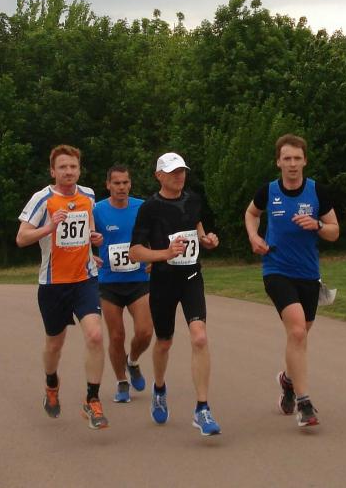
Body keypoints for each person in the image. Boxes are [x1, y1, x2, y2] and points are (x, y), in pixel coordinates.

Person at [243, 134, 340, 427]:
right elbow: (251, 213)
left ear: (305, 161)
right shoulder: (268, 191)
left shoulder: (317, 191)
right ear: (278, 162)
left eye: (297, 158)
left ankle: (287, 380)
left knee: (301, 334)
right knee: (297, 331)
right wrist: (254, 237)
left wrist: (317, 224)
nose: (293, 164)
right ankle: (304, 403)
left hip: (308, 274)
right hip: (276, 270)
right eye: (287, 158)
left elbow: (334, 231)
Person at [16, 144, 109, 430]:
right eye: (63, 167)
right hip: (53, 284)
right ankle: (51, 384)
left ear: (79, 170)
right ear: (53, 171)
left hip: (85, 279)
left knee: (95, 335)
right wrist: (49, 227)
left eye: (73, 167)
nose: (69, 171)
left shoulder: (88, 195)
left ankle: (92, 400)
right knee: (54, 345)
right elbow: (21, 238)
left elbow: (88, 229)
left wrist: (94, 241)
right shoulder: (42, 199)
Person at [129, 152, 222, 436]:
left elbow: (195, 225)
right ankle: (159, 389)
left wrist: (206, 239)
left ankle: (202, 409)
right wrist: (164, 254)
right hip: (163, 281)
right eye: (172, 172)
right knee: (164, 342)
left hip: (191, 277)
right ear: (159, 176)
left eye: (181, 171)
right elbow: (135, 251)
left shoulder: (193, 199)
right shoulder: (150, 208)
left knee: (200, 337)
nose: (179, 176)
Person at [94, 165, 154, 403]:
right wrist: (90, 256)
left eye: (125, 182)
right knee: (117, 335)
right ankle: (121, 381)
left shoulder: (142, 207)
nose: (121, 187)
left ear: (130, 184)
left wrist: (154, 258)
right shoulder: (97, 210)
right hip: (109, 282)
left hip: (139, 279)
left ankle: (133, 361)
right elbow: (84, 237)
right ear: (108, 185)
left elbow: (156, 234)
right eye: (116, 183)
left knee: (145, 332)